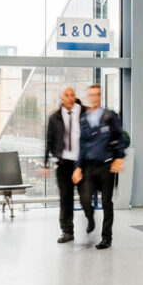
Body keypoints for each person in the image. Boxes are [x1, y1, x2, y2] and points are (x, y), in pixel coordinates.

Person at [73, 84, 125, 250]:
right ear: (89, 97)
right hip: (89, 166)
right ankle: (90, 218)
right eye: (92, 95)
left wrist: (119, 157)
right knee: (85, 198)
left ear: (100, 97)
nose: (94, 97)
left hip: (106, 166)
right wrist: (77, 167)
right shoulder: (83, 120)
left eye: (97, 95)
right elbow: (80, 145)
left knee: (106, 202)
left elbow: (120, 138)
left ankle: (106, 237)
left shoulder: (110, 116)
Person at [43, 87, 93, 244]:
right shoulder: (55, 117)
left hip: (82, 163)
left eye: (72, 95)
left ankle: (90, 215)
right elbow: (49, 140)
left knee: (85, 196)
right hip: (64, 163)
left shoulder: (85, 112)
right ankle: (67, 231)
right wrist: (46, 162)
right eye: (67, 95)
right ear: (61, 97)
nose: (70, 98)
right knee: (66, 199)